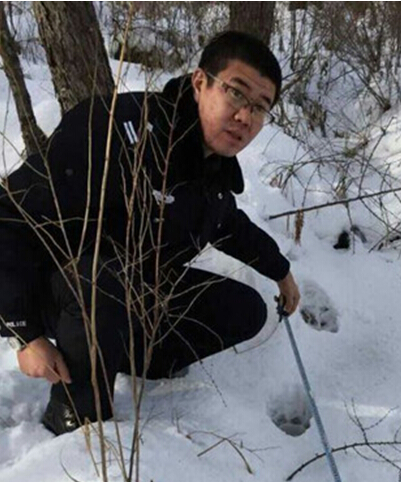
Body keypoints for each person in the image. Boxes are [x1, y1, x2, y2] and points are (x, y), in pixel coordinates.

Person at [0, 31, 300, 436]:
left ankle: (140, 358)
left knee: (245, 309)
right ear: (199, 83)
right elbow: (10, 216)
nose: (246, 117)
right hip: (56, 289)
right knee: (101, 281)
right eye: (236, 93)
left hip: (127, 292)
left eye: (261, 108)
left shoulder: (210, 170)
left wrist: (280, 271)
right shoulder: (116, 131)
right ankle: (78, 417)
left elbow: (226, 224)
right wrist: (26, 333)